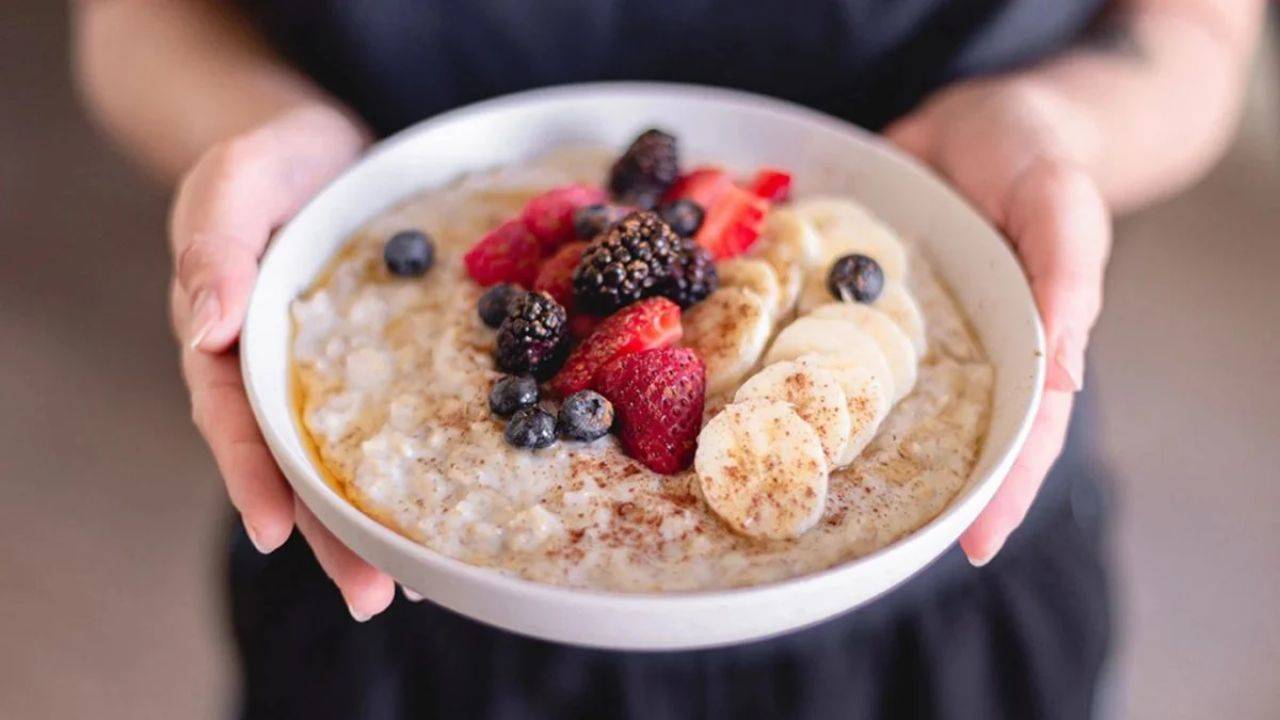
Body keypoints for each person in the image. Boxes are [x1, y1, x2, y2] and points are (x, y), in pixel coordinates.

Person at [75, 1, 1263, 718]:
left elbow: (1193, 28)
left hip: (931, 618)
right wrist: (252, 127)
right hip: (389, 629)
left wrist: (1058, 129)